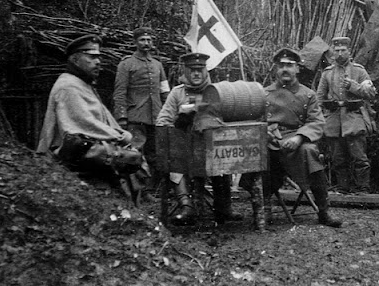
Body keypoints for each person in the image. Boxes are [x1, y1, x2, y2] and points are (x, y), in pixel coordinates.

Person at [37, 34, 147, 201]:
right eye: (91, 57)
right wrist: (122, 137)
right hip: (74, 162)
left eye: (99, 57)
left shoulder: (83, 84)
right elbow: (84, 125)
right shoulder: (68, 86)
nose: (98, 62)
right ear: (75, 60)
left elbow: (102, 119)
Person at [243, 47, 342, 228]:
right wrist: (264, 133)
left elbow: (317, 122)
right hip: (271, 141)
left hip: (296, 141)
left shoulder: (307, 94)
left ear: (297, 68)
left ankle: (324, 210)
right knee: (259, 154)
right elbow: (254, 121)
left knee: (310, 152)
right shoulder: (263, 94)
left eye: (289, 65)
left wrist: (299, 138)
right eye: (281, 65)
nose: (285, 69)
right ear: (275, 69)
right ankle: (264, 207)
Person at [155, 52, 242, 226]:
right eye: (192, 70)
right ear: (185, 71)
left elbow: (230, 120)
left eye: (200, 69)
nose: (196, 74)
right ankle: (186, 206)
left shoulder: (217, 92)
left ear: (206, 71)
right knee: (175, 161)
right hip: (184, 150)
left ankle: (224, 207)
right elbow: (162, 121)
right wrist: (180, 118)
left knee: (223, 157)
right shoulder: (177, 93)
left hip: (210, 149)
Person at [316, 36, 376, 193]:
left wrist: (354, 86)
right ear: (333, 52)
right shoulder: (327, 73)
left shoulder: (359, 71)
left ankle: (362, 188)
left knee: (359, 157)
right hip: (334, 119)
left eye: (343, 50)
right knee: (338, 158)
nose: (340, 53)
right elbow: (319, 98)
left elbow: (371, 93)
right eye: (337, 50)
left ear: (349, 51)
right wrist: (324, 115)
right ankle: (343, 188)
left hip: (354, 117)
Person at [113, 27, 169, 186]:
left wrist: (168, 112)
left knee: (155, 152)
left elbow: (165, 91)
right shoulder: (126, 64)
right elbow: (120, 92)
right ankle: (137, 188)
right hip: (135, 116)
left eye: (149, 40)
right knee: (135, 152)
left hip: (156, 116)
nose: (146, 43)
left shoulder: (158, 65)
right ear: (135, 42)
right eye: (142, 40)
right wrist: (121, 116)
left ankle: (153, 188)